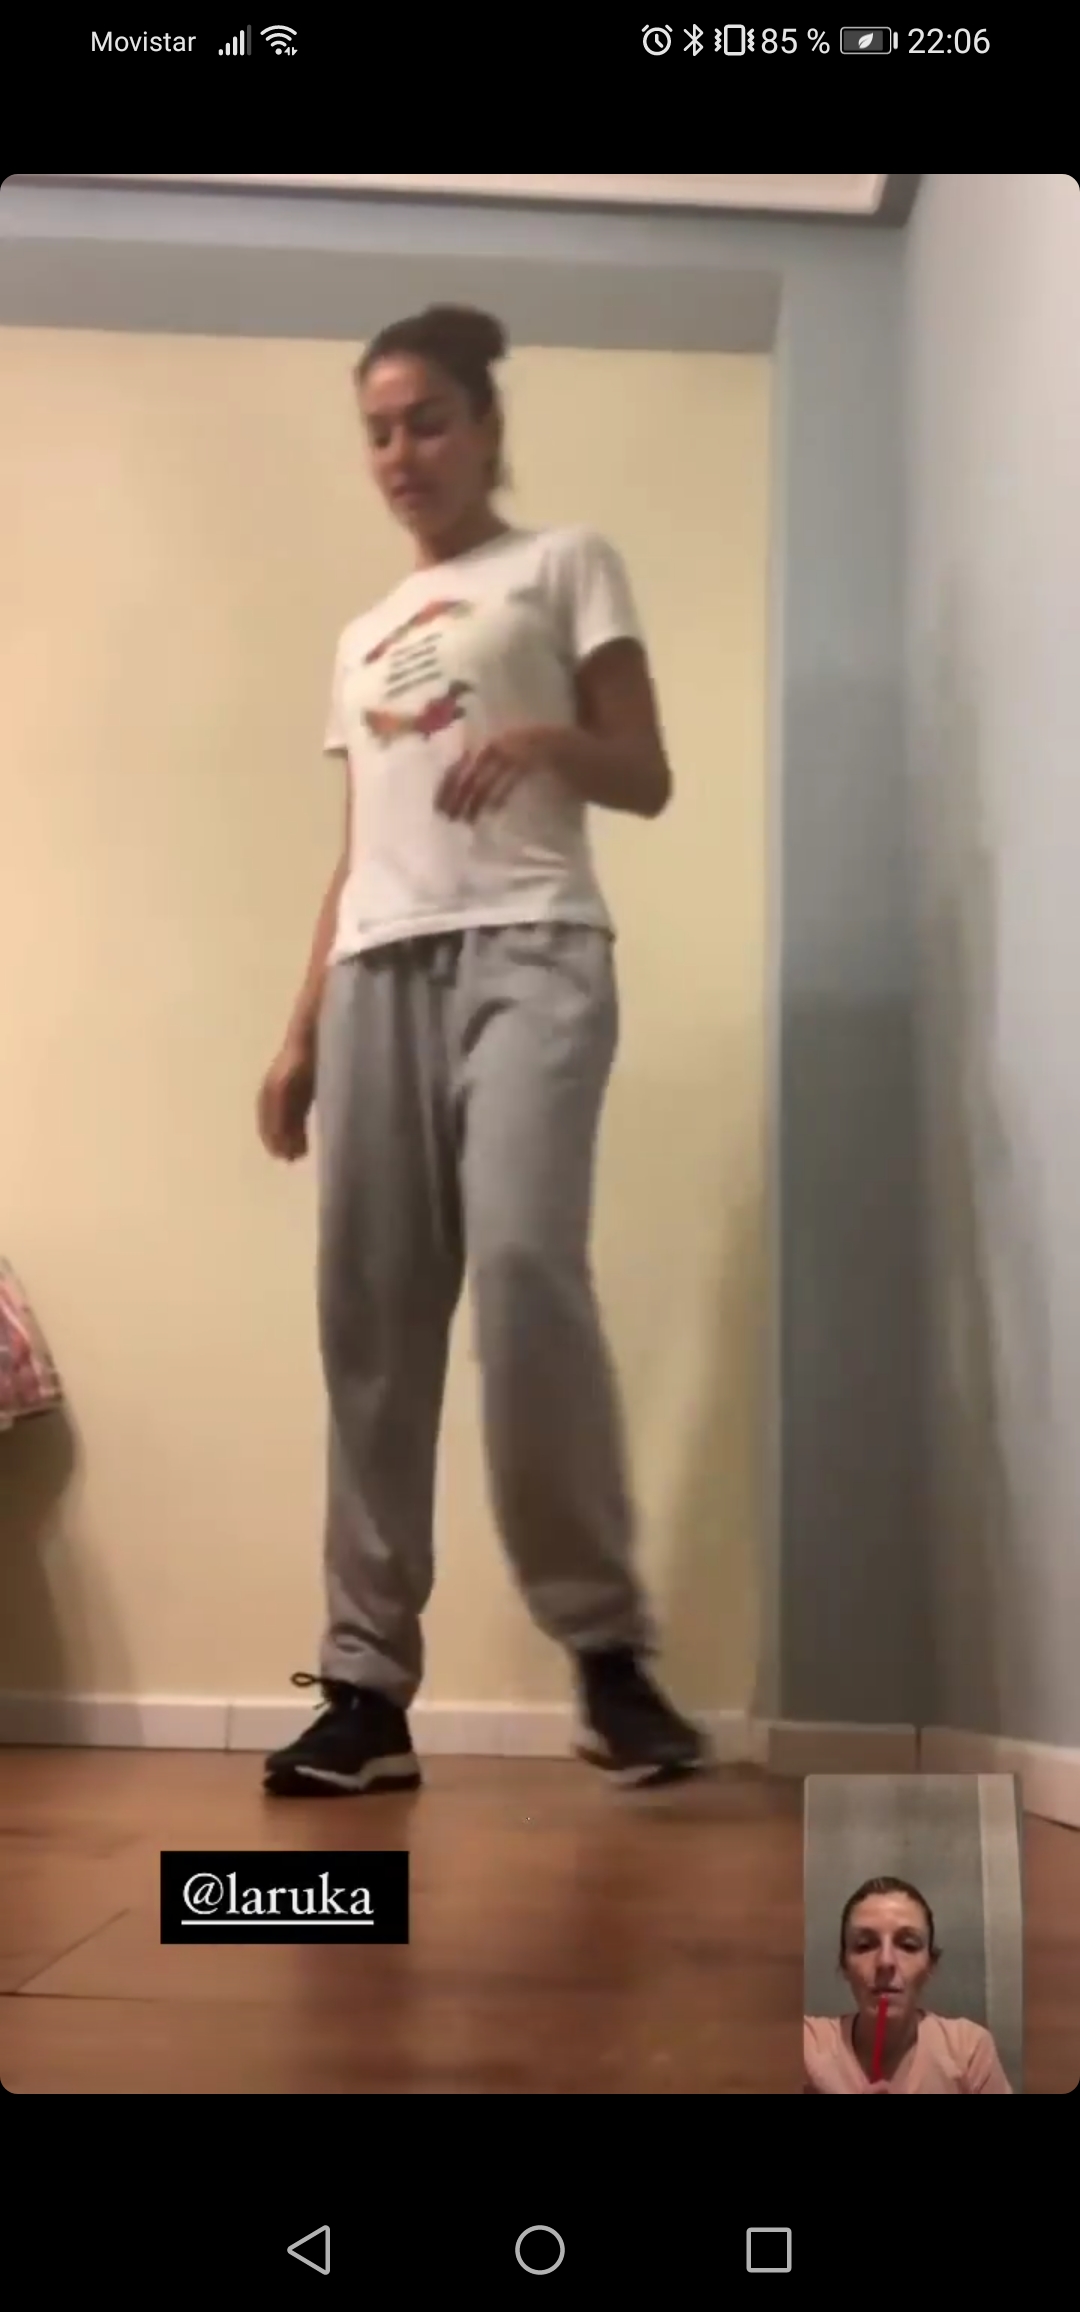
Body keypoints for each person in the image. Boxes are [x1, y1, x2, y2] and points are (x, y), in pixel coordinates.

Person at [257, 303, 706, 1799]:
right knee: (371, 1329)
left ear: (488, 425)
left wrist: (548, 741)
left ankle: (608, 1658)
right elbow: (361, 849)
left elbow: (645, 772)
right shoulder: (361, 635)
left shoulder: (564, 563)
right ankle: (365, 1693)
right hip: (375, 974)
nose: (403, 453)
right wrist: (299, 1032)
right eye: (379, 431)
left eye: (429, 420)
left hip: (535, 951)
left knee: (523, 1273)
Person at [803, 1875, 1014, 2093]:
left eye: (908, 1945)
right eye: (865, 1945)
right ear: (844, 1964)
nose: (885, 1961)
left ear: (930, 1965)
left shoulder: (967, 2050)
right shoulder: (806, 2047)